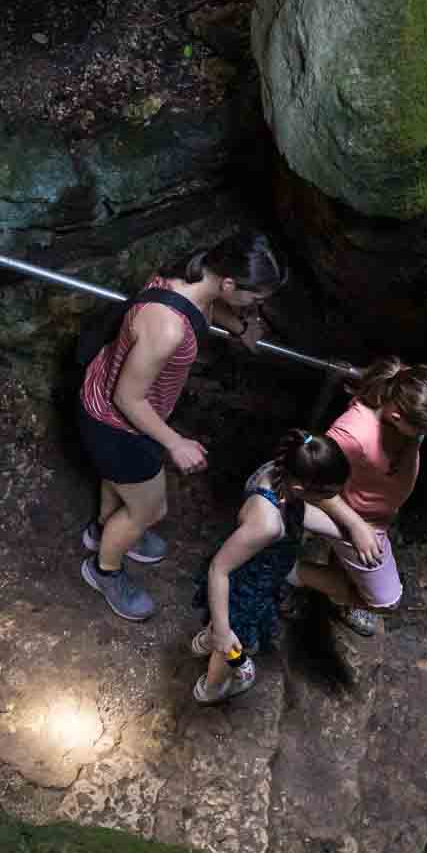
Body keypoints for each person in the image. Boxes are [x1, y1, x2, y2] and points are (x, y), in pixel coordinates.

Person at [76, 231, 285, 621]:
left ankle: (104, 528)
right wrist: (176, 443)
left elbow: (204, 309)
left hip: (108, 405)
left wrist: (240, 327)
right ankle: (104, 570)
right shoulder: (167, 328)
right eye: (254, 300)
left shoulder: (189, 275)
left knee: (119, 483)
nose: (256, 308)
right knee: (150, 510)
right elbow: (128, 399)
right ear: (228, 283)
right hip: (117, 422)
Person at [301, 358, 427, 636]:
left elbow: (421, 390)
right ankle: (288, 572)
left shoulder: (401, 388)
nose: (424, 436)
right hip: (353, 514)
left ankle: (341, 587)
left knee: (353, 564)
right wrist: (355, 526)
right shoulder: (353, 434)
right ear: (398, 418)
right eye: (423, 431)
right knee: (386, 601)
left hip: (377, 509)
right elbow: (311, 483)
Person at [189, 430, 365, 704]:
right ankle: (212, 686)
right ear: (300, 489)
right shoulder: (267, 525)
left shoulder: (279, 472)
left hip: (256, 568)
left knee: (230, 628)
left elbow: (303, 513)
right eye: (327, 495)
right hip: (246, 587)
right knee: (233, 644)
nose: (333, 500)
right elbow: (219, 571)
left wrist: (346, 531)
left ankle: (208, 637)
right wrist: (225, 630)